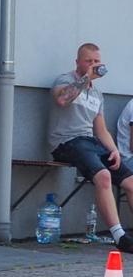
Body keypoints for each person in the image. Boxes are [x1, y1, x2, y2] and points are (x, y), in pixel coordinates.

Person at [49, 42, 133, 250]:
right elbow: (62, 99)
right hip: (66, 141)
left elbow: (101, 129)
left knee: (131, 181)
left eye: (96, 61)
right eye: (89, 61)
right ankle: (119, 236)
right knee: (103, 176)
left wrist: (114, 150)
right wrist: (86, 77)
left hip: (90, 142)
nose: (93, 65)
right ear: (78, 62)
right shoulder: (65, 80)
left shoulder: (97, 94)